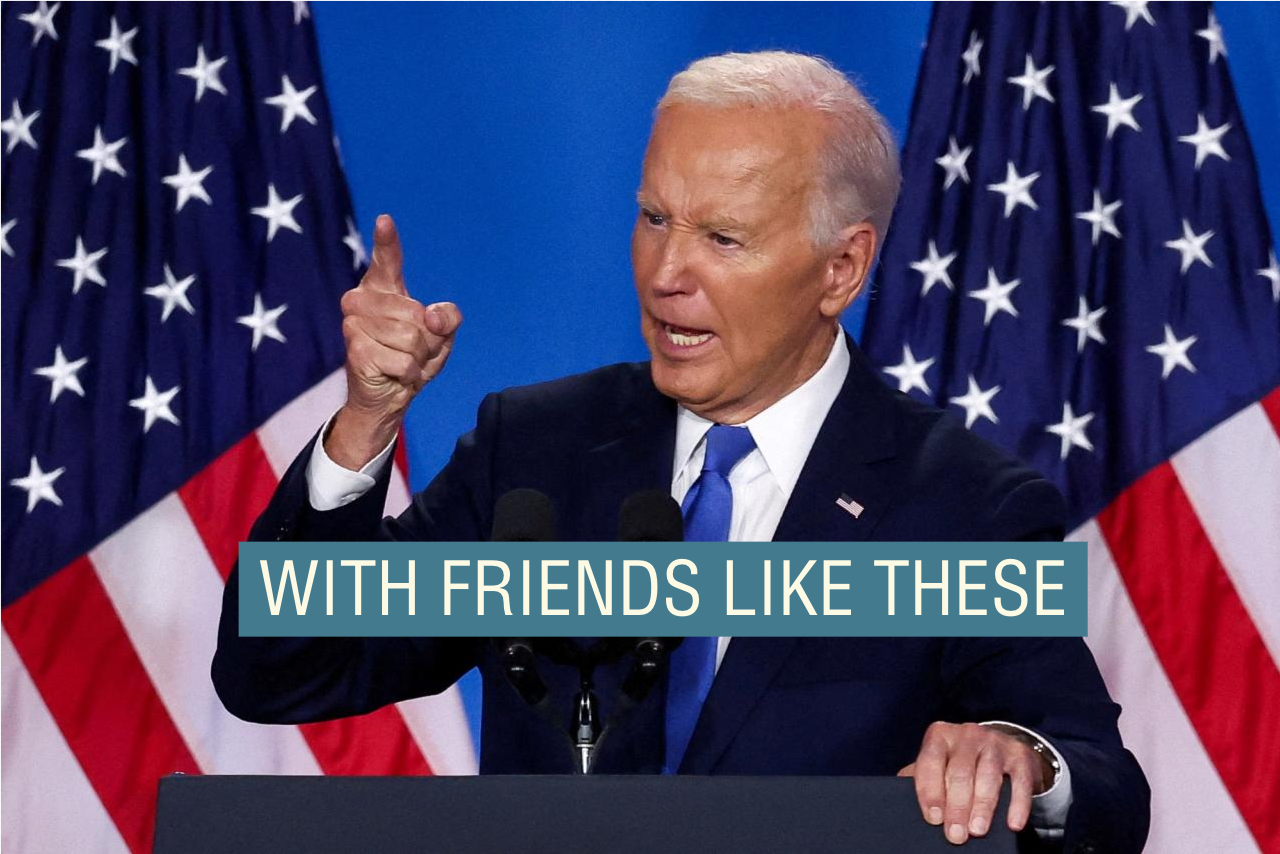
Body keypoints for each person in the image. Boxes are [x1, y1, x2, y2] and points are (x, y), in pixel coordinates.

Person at [214, 51, 1149, 851]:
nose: (666, 275)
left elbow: (1105, 786)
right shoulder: (537, 449)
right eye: (655, 218)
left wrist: (1023, 757)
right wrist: (367, 423)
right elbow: (281, 667)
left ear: (842, 269)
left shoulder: (965, 507)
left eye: (722, 237)